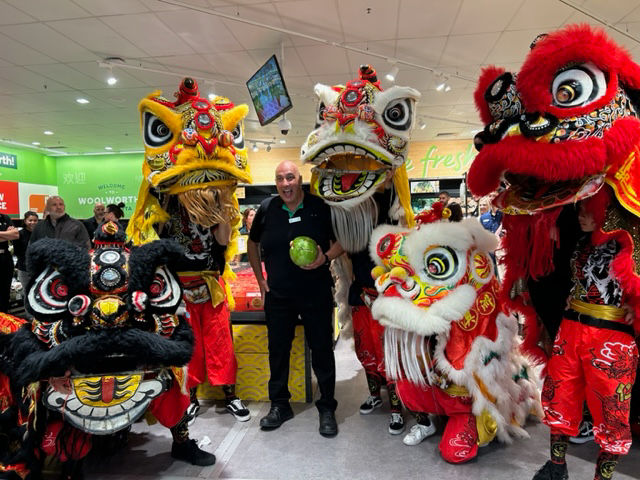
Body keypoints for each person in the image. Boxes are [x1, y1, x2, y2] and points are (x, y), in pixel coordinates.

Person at [533, 193, 639, 480]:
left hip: (611, 338)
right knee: (559, 395)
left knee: (611, 412)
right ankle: (556, 467)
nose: (581, 214)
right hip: (571, 329)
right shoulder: (579, 242)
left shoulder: (629, 242)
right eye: (579, 208)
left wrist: (635, 305)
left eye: (587, 210)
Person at [247, 160, 343, 437]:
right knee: (278, 352)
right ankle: (280, 405)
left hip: (315, 291)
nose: (285, 184)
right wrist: (260, 279)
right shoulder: (267, 209)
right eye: (280, 179)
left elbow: (342, 241)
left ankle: (327, 407)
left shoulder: (319, 207)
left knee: (322, 350)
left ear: (299, 179)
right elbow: (253, 243)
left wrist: (325, 257)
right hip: (278, 294)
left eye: (290, 178)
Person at [12, 211, 38, 288]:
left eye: (35, 220)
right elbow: (17, 251)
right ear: (25, 221)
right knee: (27, 291)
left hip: (38, 269)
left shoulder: (40, 233)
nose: (33, 222)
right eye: (30, 220)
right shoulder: (19, 234)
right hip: (24, 269)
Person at [0, 213, 18, 313]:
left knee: (5, 290)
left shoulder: (5, 217)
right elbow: (10, 235)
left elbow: (15, 235)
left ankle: (4, 318)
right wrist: (6, 234)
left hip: (5, 258)